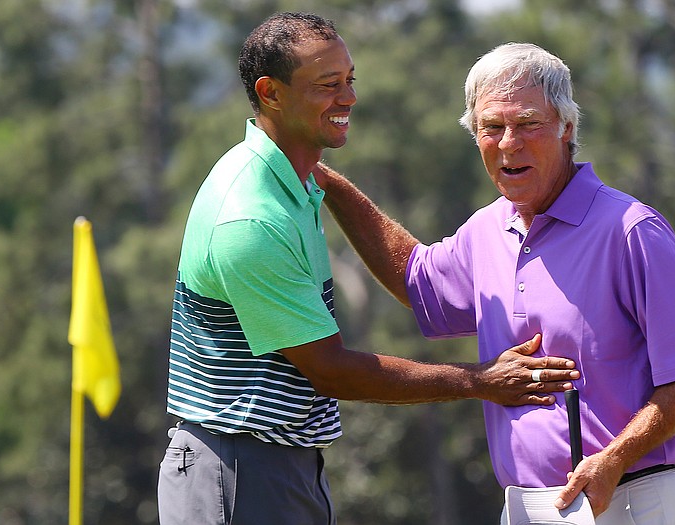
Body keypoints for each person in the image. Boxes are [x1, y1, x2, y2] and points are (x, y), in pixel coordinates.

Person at [157, 15, 580, 525]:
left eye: (349, 80)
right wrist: (479, 379)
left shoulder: (291, 180)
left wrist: (320, 174)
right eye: (328, 85)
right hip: (240, 468)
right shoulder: (252, 217)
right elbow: (331, 370)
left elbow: (418, 280)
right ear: (271, 93)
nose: (349, 98)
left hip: (280, 464)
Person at [313, 42, 675, 524]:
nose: (509, 142)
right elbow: (417, 281)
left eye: (528, 124)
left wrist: (616, 457)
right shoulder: (487, 229)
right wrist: (327, 184)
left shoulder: (630, 229)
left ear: (566, 128)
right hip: (526, 506)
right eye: (491, 127)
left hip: (632, 498)